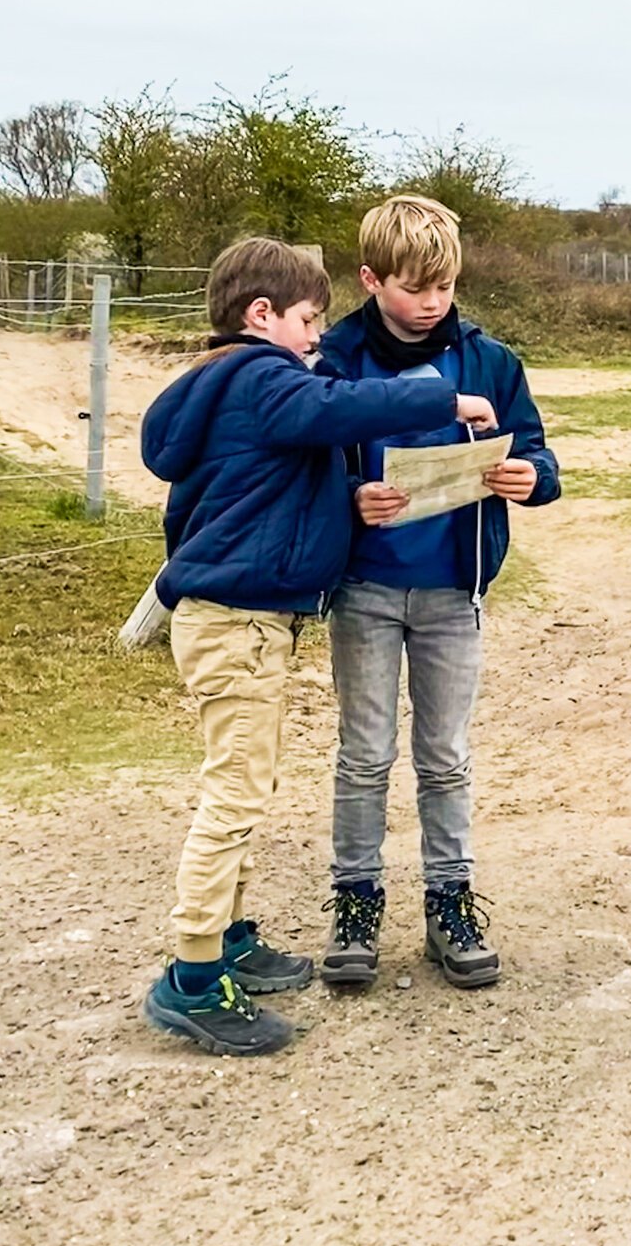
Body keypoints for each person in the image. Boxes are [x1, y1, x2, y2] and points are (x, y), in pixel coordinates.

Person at [136, 236, 496, 1055]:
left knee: (248, 779)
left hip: (243, 620)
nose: (315, 336)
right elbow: (338, 408)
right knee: (233, 797)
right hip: (236, 622)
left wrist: (348, 495)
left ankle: (230, 938)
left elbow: (277, 486)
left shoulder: (227, 385)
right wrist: (446, 402)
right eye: (306, 319)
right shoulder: (262, 377)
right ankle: (193, 976)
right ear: (260, 316)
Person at [313, 194, 560, 992]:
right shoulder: (336, 358)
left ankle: (449, 902)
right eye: (416, 287)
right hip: (364, 588)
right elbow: (304, 471)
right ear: (369, 277)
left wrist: (531, 479)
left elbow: (539, 454)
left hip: (457, 589)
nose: (433, 302)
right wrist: (349, 498)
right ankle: (355, 904)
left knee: (446, 756)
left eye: (445, 287)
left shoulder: (491, 362)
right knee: (364, 755)